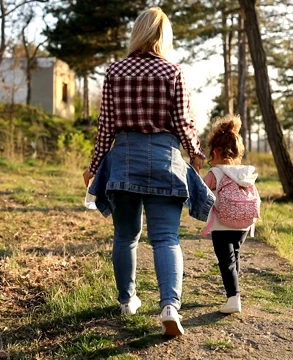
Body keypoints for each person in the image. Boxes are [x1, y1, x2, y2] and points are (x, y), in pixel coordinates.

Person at [83, 7, 205, 336]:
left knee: (126, 237)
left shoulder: (115, 72)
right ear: (163, 36)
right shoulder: (172, 72)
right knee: (166, 239)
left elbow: (105, 126)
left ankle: (128, 300)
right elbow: (183, 122)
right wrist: (195, 153)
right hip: (165, 161)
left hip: (122, 161)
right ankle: (169, 306)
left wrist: (94, 166)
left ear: (136, 32)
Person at [201, 114, 259, 314]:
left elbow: (201, 194)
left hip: (222, 225)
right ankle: (234, 292)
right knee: (234, 257)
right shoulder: (245, 173)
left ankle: (233, 297)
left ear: (215, 151)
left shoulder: (215, 173)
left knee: (226, 262)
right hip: (243, 224)